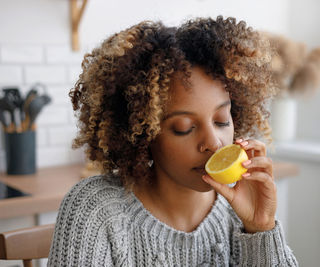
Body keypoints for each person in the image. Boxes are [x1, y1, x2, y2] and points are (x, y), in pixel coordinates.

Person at [47, 16, 298, 266]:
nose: (214, 143)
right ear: (143, 135)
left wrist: (260, 229)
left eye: (222, 120)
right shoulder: (95, 211)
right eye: (184, 128)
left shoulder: (241, 210)